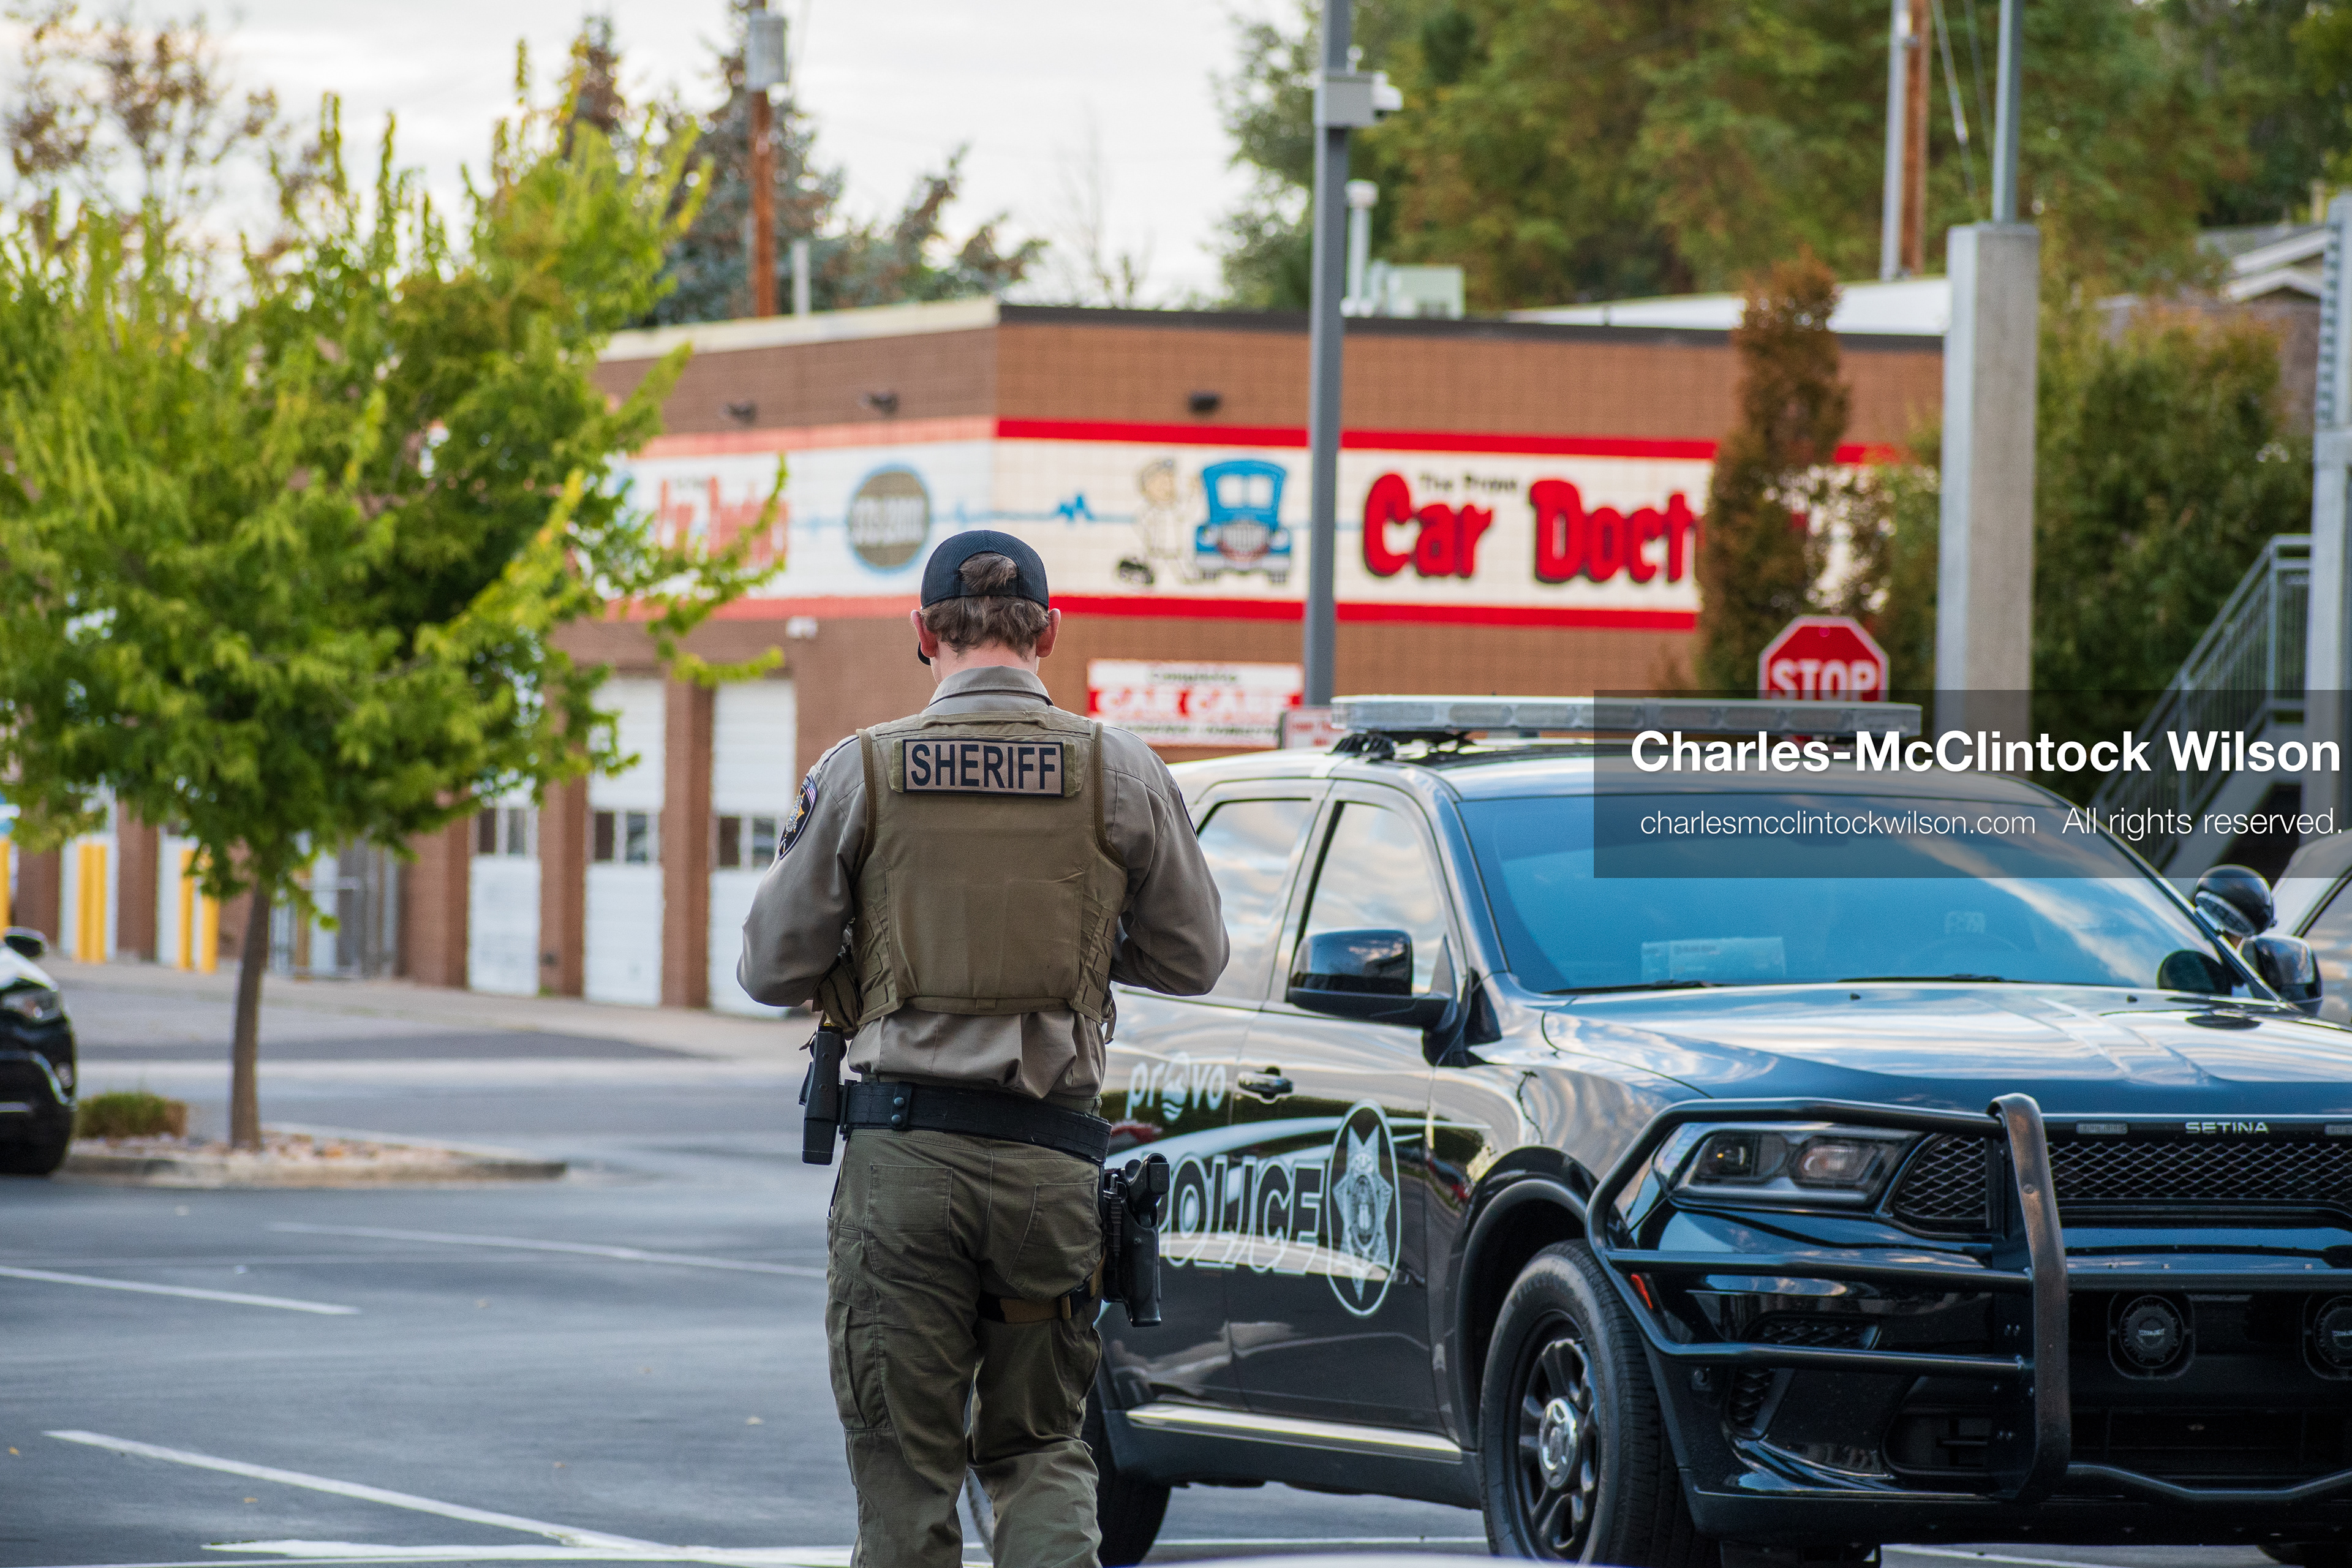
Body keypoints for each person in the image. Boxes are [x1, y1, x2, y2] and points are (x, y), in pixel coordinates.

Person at [738, 529, 1227, 1568]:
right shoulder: (1122, 770)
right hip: (1052, 1167)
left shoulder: (861, 770)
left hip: (903, 1166)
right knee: (1042, 1446)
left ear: (923, 634)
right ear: (1049, 632)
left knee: (906, 1469)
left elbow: (771, 967)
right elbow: (1196, 958)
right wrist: (1083, 955)